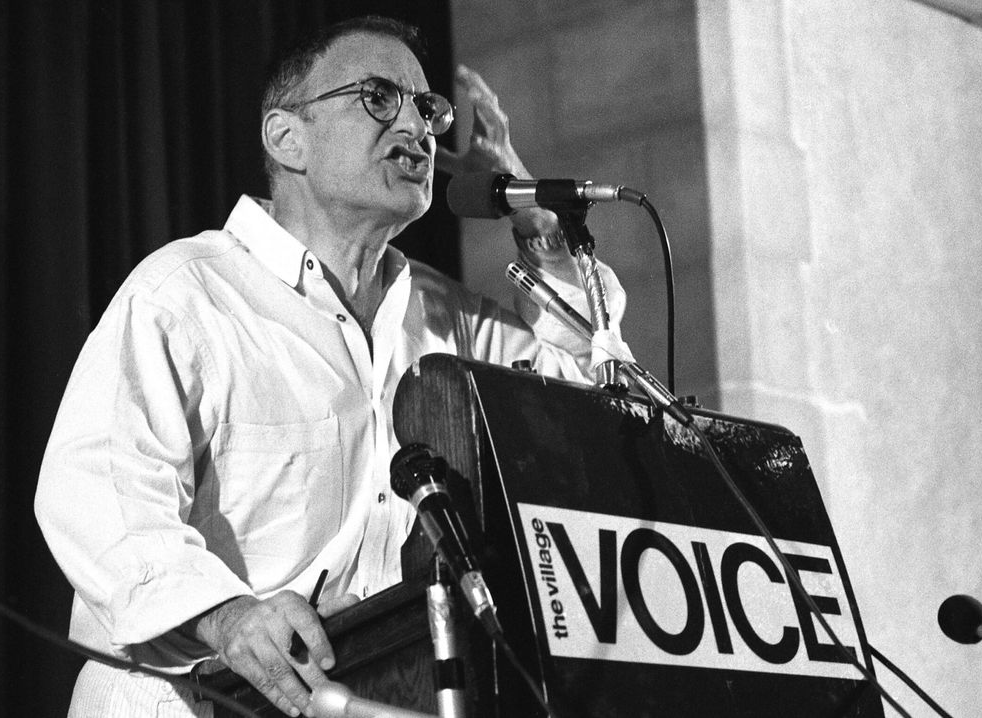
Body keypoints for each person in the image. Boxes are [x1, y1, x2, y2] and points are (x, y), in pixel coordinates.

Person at [34, 15, 629, 718]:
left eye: (427, 107)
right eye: (379, 96)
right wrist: (225, 614)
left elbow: (596, 407)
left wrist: (538, 224)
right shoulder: (186, 295)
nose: (417, 126)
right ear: (288, 138)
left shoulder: (446, 318)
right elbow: (96, 493)